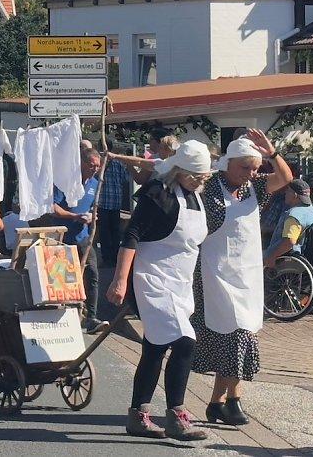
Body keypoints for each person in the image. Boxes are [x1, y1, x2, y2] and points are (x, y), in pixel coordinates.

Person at [106, 140, 213, 441]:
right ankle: (177, 417)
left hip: (179, 283)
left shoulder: (196, 197)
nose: (199, 181)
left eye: (204, 177)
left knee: (155, 347)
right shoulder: (158, 194)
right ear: (178, 169)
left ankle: (137, 416)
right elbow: (132, 236)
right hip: (152, 280)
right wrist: (119, 280)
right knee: (184, 342)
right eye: (195, 175)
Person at [191, 130, 292, 425]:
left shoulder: (256, 188)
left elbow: (285, 177)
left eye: (254, 168)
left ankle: (216, 403)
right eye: (244, 167)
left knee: (241, 335)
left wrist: (272, 153)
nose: (249, 173)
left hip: (247, 276)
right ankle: (233, 401)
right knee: (235, 336)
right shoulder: (209, 188)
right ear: (228, 163)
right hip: (215, 273)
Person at [52, 147, 109, 334]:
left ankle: (91, 317)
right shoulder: (67, 183)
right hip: (63, 238)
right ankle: (63, 315)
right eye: (92, 165)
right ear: (82, 163)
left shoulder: (94, 183)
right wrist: (73, 216)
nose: (94, 169)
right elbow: (53, 208)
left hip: (84, 237)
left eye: (97, 166)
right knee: (64, 278)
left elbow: (93, 206)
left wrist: (93, 217)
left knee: (92, 273)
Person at [264, 179, 313, 267]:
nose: (285, 193)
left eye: (288, 190)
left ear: (295, 195)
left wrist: (272, 257)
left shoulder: (294, 215)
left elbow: (289, 242)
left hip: (287, 260)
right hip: (311, 258)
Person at [97, 148, 132, 267]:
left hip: (103, 201)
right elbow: (125, 180)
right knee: (115, 232)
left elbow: (97, 177)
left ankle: (107, 259)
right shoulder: (118, 163)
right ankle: (115, 258)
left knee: (104, 232)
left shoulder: (101, 162)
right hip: (116, 201)